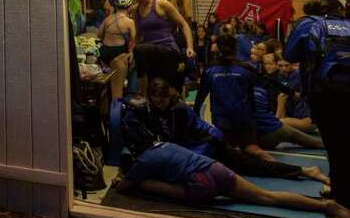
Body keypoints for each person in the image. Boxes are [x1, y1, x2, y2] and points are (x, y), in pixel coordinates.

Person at [115, 113, 350, 218]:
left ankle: (325, 205)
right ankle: (326, 206)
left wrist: (124, 179)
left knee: (143, 184)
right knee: (267, 196)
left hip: (200, 184)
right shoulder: (165, 143)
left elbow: (125, 187)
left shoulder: (143, 161)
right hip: (214, 168)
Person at [125, 77, 328, 184]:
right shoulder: (157, 109)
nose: (159, 102)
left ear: (170, 95)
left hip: (210, 143)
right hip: (199, 144)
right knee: (249, 165)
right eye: (155, 98)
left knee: (252, 168)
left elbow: (176, 145)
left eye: (163, 98)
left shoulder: (178, 110)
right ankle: (302, 170)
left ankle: (306, 170)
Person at [286, 0, 350, 212]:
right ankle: (341, 190)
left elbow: (289, 55)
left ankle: (344, 199)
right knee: (345, 142)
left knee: (332, 143)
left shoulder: (311, 24)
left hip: (322, 92)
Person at [193, 33, 266, 155]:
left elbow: (201, 96)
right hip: (244, 120)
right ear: (235, 48)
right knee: (253, 152)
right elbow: (254, 95)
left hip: (222, 121)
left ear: (218, 48)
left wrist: (195, 116)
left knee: (227, 154)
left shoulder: (210, 69)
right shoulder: (247, 69)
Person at [128, 0, 194, 92]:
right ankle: (146, 95)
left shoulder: (163, 5)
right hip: (150, 52)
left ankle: (142, 92)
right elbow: (138, 34)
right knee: (158, 88)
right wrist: (131, 52)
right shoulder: (136, 10)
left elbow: (184, 25)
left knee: (140, 50)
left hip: (168, 49)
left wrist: (190, 47)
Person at [252, 52, 324, 150]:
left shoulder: (296, 75)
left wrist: (276, 119)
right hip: (295, 116)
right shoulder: (280, 77)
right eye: (280, 66)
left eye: (286, 65)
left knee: (278, 121)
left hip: (307, 119)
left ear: (293, 65)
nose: (283, 69)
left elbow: (283, 97)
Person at [96, 0, 136, 99]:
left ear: (116, 5)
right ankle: (117, 108)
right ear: (129, 6)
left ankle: (105, 109)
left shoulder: (107, 19)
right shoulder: (129, 22)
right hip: (119, 53)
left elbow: (99, 35)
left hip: (104, 53)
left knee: (106, 83)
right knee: (117, 88)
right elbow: (135, 40)